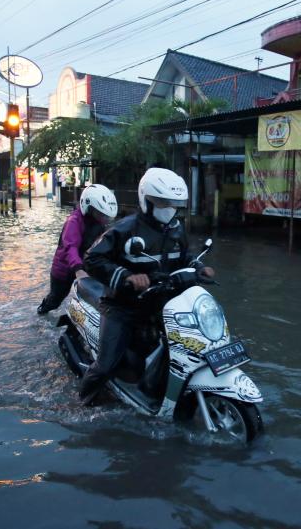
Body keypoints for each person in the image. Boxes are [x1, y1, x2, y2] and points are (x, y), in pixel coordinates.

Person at [79, 167, 215, 406]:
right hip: (122, 307)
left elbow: (185, 255)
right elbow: (92, 258)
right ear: (146, 200)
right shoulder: (124, 228)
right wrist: (126, 276)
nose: (169, 209)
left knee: (187, 347)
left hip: (162, 303)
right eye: (162, 202)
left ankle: (155, 390)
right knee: (106, 365)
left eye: (173, 204)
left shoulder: (176, 228)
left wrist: (198, 266)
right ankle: (82, 402)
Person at [37, 184, 118, 315]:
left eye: (105, 215)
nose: (103, 218)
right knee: (55, 300)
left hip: (85, 266)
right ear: (89, 208)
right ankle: (41, 312)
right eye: (100, 213)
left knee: (98, 295)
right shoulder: (74, 221)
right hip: (64, 270)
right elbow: (71, 247)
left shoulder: (99, 223)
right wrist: (78, 270)